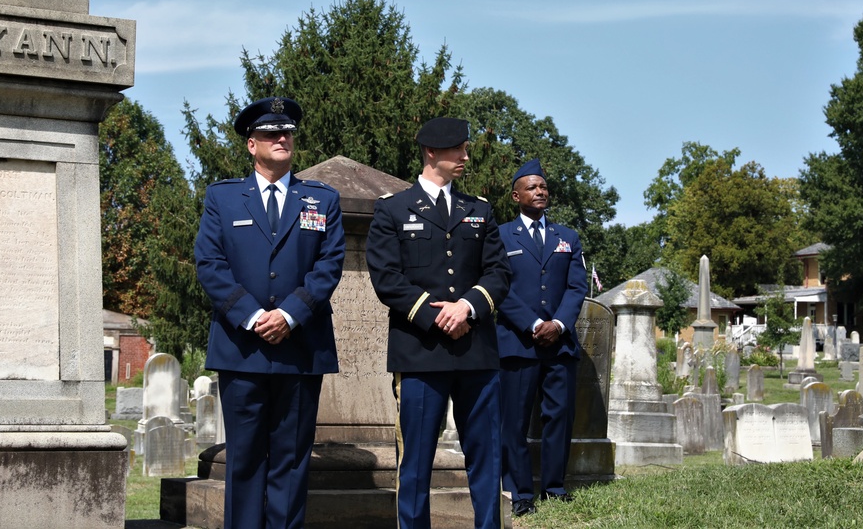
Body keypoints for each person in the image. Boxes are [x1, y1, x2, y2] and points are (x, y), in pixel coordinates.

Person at [194, 96, 345, 529]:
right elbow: (210, 264)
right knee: (243, 459)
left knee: (292, 459)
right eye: (270, 133)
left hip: (300, 348)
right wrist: (255, 316)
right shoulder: (222, 198)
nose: (282, 138)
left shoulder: (322, 199)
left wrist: (290, 315)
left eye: (287, 132)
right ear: (251, 145)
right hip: (241, 348)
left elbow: (328, 265)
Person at [366, 117, 511, 529]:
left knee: (486, 457)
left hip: (476, 352)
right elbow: (388, 281)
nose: (466, 156)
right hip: (420, 354)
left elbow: (498, 273)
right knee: (415, 462)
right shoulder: (392, 209)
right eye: (457, 150)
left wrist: (466, 307)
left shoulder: (479, 210)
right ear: (432, 153)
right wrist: (439, 315)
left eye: (465, 149)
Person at [496, 158, 588, 517]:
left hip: (560, 345)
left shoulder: (568, 237)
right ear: (516, 194)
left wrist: (559, 325)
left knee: (559, 417)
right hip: (518, 344)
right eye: (532, 187)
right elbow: (499, 288)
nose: (540, 192)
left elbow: (576, 287)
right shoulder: (501, 235)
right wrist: (534, 324)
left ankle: (553, 487)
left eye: (544, 187)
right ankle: (520, 492)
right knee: (514, 422)